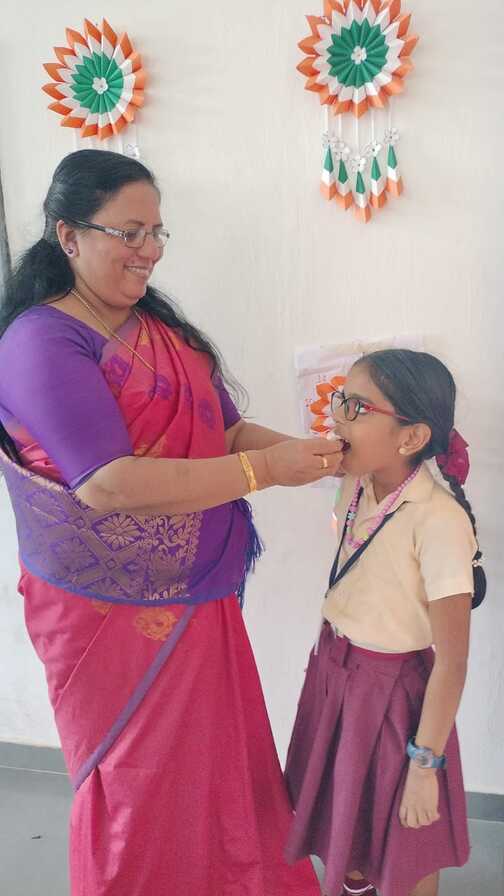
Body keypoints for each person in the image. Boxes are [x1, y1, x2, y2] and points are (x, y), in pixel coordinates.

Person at [0, 148, 343, 896]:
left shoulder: (159, 329)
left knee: (219, 767)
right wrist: (266, 472)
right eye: (129, 232)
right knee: (137, 783)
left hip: (198, 597)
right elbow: (109, 483)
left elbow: (227, 432)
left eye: (157, 232)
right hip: (105, 616)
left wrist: (316, 457)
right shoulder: (41, 340)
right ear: (68, 236)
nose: (149, 250)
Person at [284, 349, 486, 896]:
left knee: (403, 840)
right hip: (335, 675)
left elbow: (453, 662)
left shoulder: (439, 522)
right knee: (345, 821)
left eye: (355, 407)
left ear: (411, 437)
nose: (336, 418)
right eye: (338, 400)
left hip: (392, 695)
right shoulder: (355, 485)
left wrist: (425, 766)